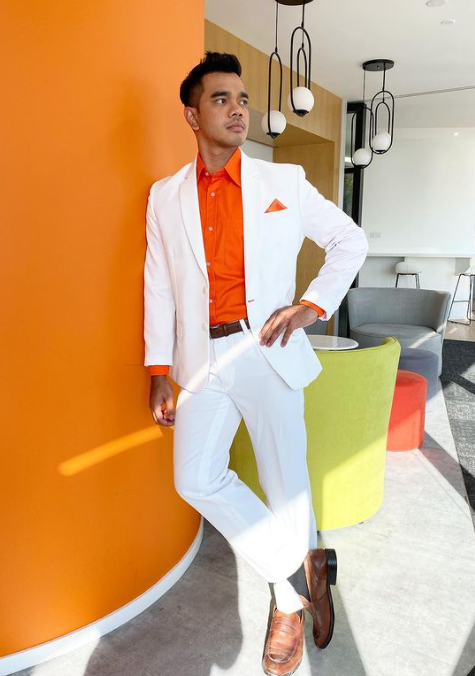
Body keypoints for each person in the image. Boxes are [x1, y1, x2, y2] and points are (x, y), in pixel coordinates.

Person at [143, 51, 368, 676]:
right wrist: (158, 370)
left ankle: (287, 604)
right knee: (194, 478)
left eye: (242, 99)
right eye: (221, 99)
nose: (237, 109)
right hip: (199, 358)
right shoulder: (164, 197)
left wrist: (310, 305)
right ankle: (300, 569)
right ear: (192, 116)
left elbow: (349, 239)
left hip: (264, 348)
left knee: (285, 484)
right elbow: (158, 286)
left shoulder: (283, 182)